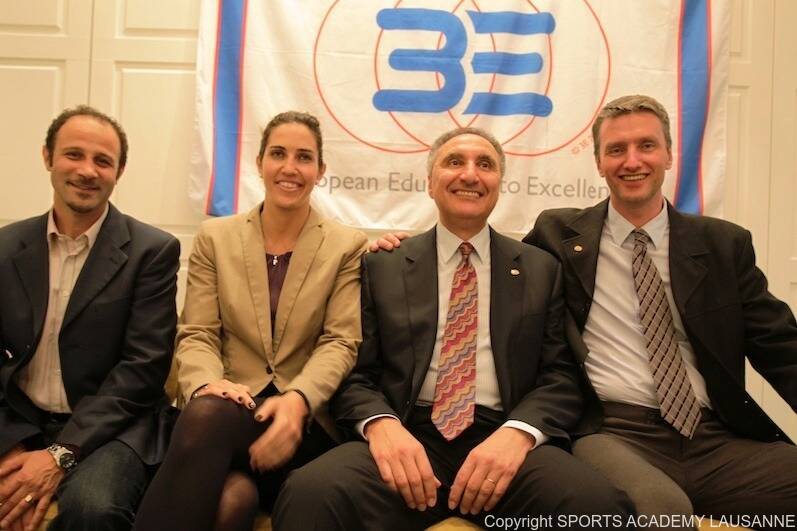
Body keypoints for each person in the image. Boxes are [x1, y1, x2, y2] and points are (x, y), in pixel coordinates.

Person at [273, 127, 635, 531]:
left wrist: (519, 433)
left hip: (503, 438)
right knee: (309, 492)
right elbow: (355, 373)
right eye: (454, 162)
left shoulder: (540, 269)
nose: (470, 174)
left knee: (598, 506)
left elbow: (561, 376)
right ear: (430, 183)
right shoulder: (383, 265)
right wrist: (381, 425)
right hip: (408, 434)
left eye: (485, 165)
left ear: (499, 184)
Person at [525, 94, 797, 527]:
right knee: (663, 510)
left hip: (713, 435)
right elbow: (499, 284)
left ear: (669, 154)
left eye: (647, 145)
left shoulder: (723, 245)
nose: (632, 161)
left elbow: (781, 346)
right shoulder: (557, 235)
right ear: (599, 162)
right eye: (616, 149)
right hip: (613, 431)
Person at [133, 111, 367, 531]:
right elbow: (198, 333)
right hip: (229, 414)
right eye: (278, 154)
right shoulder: (215, 238)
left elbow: (340, 341)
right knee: (232, 499)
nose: (290, 167)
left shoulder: (346, 246)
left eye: (304, 157)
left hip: (303, 428)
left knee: (210, 425)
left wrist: (298, 400)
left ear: (320, 171)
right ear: (259, 163)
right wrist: (206, 385)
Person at [0, 105, 179, 531]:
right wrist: (8, 445)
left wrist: (59, 454)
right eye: (73, 154)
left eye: (103, 161)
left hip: (113, 429)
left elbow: (142, 370)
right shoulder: (5, 247)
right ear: (47, 157)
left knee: (93, 509)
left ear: (119, 172)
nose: (87, 171)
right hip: (20, 420)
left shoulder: (151, 252)